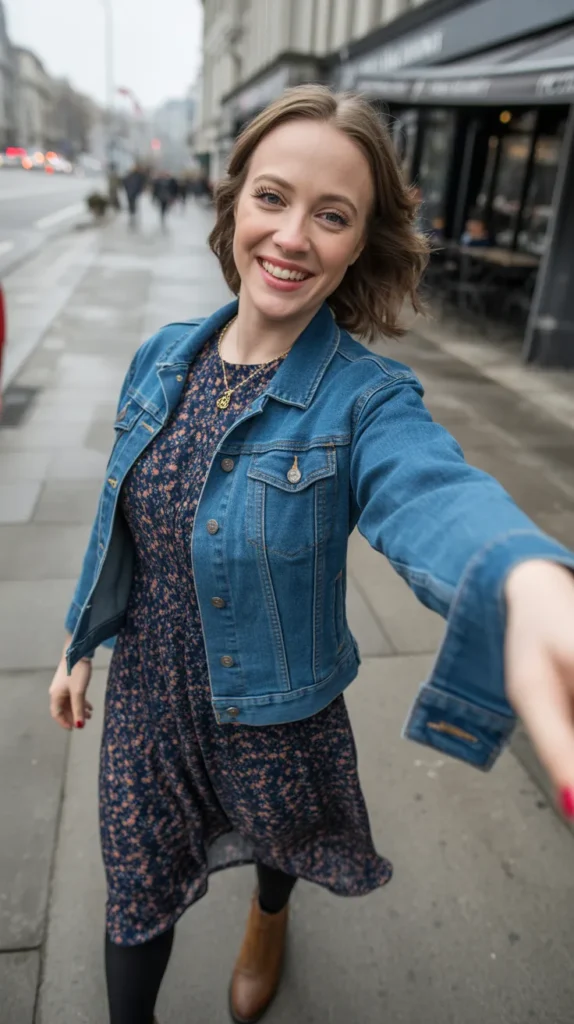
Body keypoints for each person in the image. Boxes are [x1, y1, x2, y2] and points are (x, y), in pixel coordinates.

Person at [49, 85, 574, 1024]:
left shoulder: (368, 400)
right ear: (235, 201)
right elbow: (117, 520)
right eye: (273, 198)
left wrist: (521, 581)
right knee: (133, 897)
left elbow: (431, 490)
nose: (293, 236)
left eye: (332, 216)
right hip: (148, 698)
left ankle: (268, 916)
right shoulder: (162, 356)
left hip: (277, 710)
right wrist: (78, 641)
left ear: (360, 243)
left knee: (281, 841)